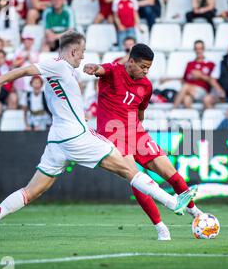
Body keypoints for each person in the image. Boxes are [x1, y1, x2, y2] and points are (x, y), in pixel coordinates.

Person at [0, 31, 197, 242]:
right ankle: (173, 202)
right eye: (82, 53)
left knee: (31, 191)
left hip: (57, 141)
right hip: (78, 136)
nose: (82, 58)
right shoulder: (58, 65)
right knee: (130, 171)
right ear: (74, 51)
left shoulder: (57, 73)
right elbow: (25, 70)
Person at [84, 43, 203, 240]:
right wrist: (92, 67)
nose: (146, 71)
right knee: (137, 179)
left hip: (136, 132)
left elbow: (140, 112)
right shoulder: (114, 71)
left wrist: (137, 131)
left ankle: (195, 213)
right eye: (143, 66)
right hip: (114, 134)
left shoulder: (146, 85)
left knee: (171, 174)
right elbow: (100, 69)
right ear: (131, 62)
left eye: (149, 67)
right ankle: (160, 227)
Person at [172, 40, 225, 108]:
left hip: (203, 91)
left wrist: (201, 76)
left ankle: (173, 109)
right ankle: (193, 117)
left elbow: (213, 80)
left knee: (186, 86)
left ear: (203, 49)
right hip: (190, 91)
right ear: (194, 50)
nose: (198, 51)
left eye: (200, 48)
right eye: (196, 48)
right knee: (186, 99)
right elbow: (184, 79)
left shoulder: (210, 64)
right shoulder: (190, 64)